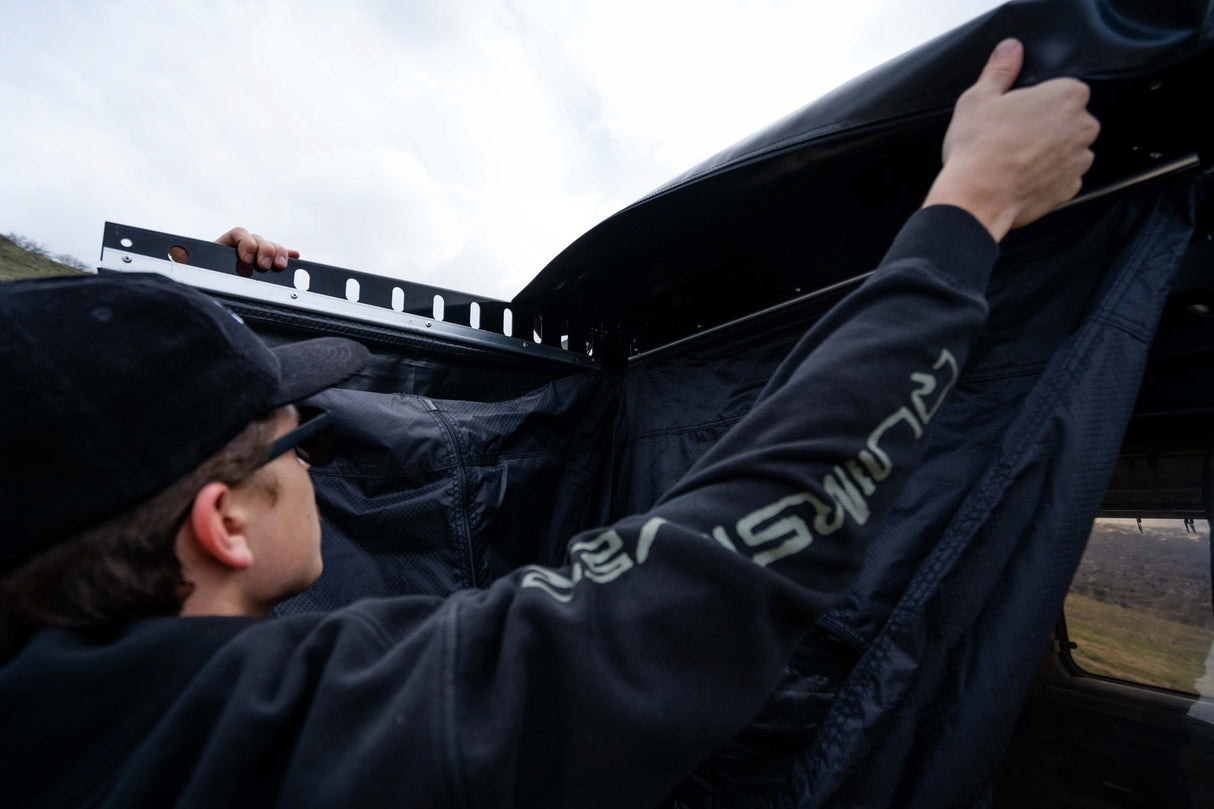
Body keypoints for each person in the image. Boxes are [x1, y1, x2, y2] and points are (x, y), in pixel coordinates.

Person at [0, 39, 1098, 808]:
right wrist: (969, 214)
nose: (326, 451)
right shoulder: (276, 745)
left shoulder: (65, 710)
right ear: (222, 524)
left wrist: (225, 313)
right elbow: (710, 570)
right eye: (301, 440)